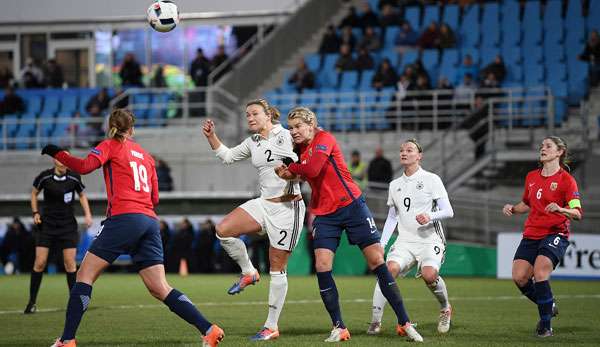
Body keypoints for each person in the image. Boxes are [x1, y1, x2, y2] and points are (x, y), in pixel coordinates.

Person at [40, 108, 224, 347]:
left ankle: (67, 340)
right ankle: (209, 329)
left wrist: (58, 153)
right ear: (132, 129)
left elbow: (84, 167)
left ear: (111, 127)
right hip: (149, 221)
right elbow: (155, 197)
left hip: (124, 218)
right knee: (160, 287)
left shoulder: (108, 145)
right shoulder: (146, 156)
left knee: (84, 275)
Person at [275, 107, 422, 342]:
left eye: (298, 126)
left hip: (352, 206)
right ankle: (339, 327)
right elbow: (304, 174)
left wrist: (290, 169)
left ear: (311, 124)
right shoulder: (298, 150)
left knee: (377, 261)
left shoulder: (325, 139)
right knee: (322, 265)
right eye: (291, 127)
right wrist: (287, 174)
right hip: (324, 213)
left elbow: (311, 169)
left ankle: (404, 322)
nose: (293, 131)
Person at [202, 99, 305, 341]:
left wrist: (297, 171)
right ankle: (249, 272)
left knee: (277, 268)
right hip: (263, 203)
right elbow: (227, 156)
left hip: (288, 208)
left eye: (254, 113)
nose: (249, 118)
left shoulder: (289, 135)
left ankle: (271, 326)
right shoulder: (253, 142)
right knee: (223, 229)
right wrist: (211, 136)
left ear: (268, 115)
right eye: (247, 114)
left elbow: (311, 160)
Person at [368, 139, 454, 335]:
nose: (404, 153)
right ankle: (375, 321)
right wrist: (381, 243)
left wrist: (430, 215)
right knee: (388, 271)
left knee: (429, 275)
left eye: (409, 150)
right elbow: (392, 218)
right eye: (401, 150)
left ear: (419, 156)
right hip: (405, 240)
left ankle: (445, 308)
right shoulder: (395, 184)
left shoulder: (432, 179)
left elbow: (448, 211)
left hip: (430, 239)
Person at [502, 136, 582, 337]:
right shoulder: (531, 176)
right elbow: (527, 203)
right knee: (519, 277)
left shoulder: (567, 181)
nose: (542, 149)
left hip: (555, 233)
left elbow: (577, 213)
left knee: (540, 273)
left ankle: (546, 326)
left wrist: (561, 209)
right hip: (531, 233)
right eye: (542, 146)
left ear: (559, 152)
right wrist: (513, 208)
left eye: (548, 146)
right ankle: (549, 305)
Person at [25, 152, 93, 314]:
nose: (62, 161)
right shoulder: (45, 177)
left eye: (65, 158)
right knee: (40, 263)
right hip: (47, 225)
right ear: (54, 160)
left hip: (67, 226)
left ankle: (74, 302)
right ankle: (32, 302)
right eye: (59, 158)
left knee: (70, 264)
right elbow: (34, 193)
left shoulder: (74, 178)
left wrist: (88, 214)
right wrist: (35, 212)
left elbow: (82, 196)